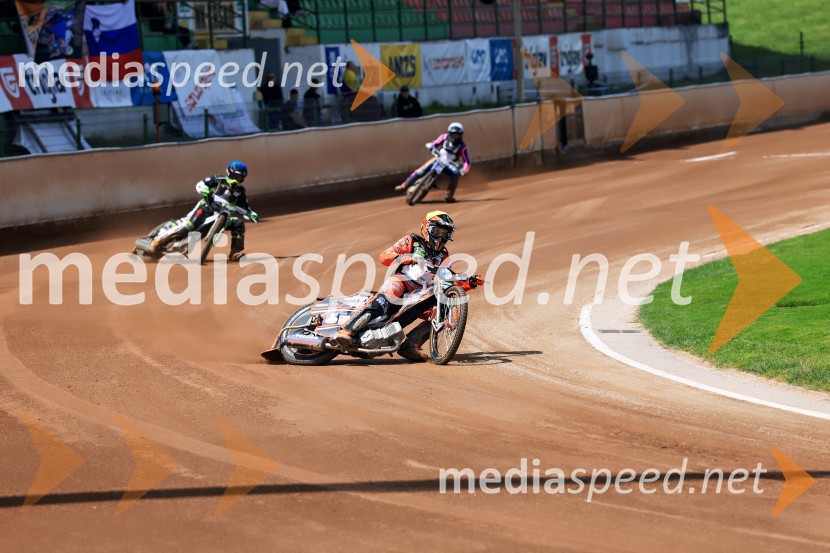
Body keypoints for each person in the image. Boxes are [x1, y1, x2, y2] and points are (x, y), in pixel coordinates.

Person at [333, 211, 482, 361]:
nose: (441, 237)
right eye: (437, 231)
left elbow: (447, 278)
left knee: (442, 311)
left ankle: (411, 345)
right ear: (427, 228)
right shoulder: (412, 241)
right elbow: (385, 256)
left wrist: (469, 282)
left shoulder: (443, 255)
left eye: (446, 233)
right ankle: (347, 331)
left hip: (418, 293)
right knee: (386, 298)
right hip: (401, 282)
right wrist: (404, 258)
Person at [149, 161, 258, 261]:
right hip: (205, 209)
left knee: (238, 223)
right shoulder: (218, 180)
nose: (236, 180)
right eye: (235, 176)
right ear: (229, 173)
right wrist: (205, 190)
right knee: (188, 227)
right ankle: (158, 241)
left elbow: (245, 207)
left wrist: (251, 213)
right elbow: (201, 184)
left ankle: (235, 252)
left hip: (223, 216)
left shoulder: (240, 191)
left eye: (239, 178)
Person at [395, 122, 471, 203]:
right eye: (454, 134)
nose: (455, 137)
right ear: (450, 133)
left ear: (461, 135)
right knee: (421, 170)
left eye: (458, 135)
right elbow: (434, 143)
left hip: (449, 164)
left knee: (456, 173)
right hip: (438, 159)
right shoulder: (444, 137)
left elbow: (467, 161)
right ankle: (404, 185)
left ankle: (449, 195)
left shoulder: (463, 147)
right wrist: (431, 147)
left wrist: (464, 169)